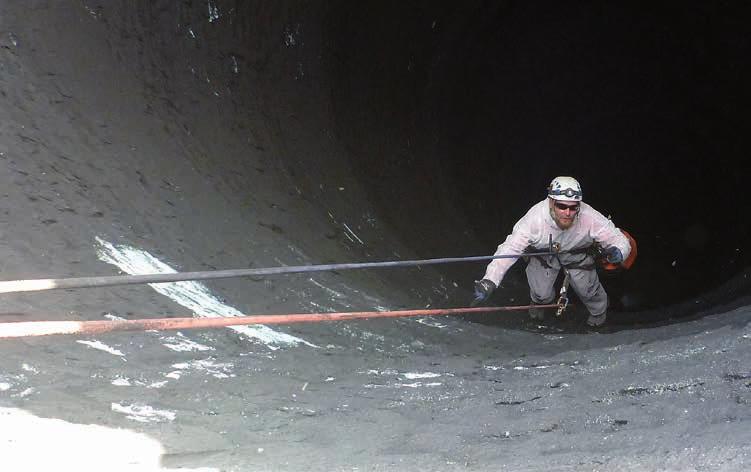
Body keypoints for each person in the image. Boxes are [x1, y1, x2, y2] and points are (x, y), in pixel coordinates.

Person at [471, 176, 631, 327]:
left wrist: (618, 251)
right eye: (562, 206)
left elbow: (618, 239)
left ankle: (598, 321)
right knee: (541, 294)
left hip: (578, 256)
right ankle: (537, 313)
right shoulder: (535, 219)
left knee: (590, 293)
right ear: (551, 202)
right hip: (544, 257)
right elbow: (510, 249)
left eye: (573, 207)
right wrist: (490, 280)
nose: (567, 213)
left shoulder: (589, 216)